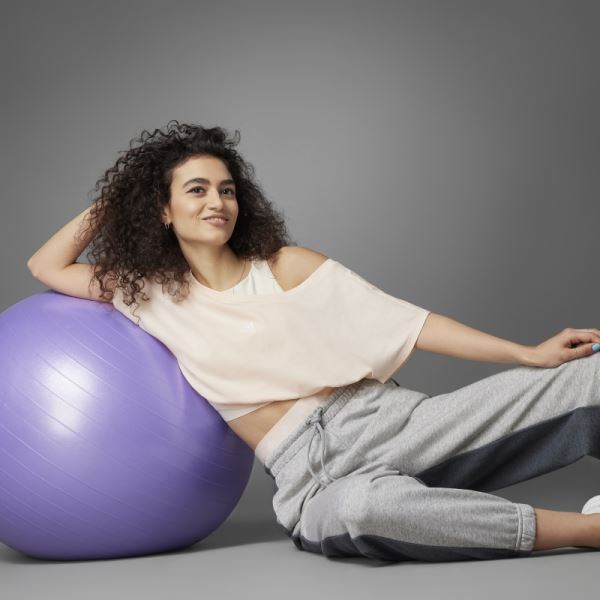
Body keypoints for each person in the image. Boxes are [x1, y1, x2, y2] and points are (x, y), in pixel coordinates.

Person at [27, 120, 600, 563]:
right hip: (305, 477)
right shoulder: (147, 293)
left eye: (226, 190)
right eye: (196, 190)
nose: (216, 203)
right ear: (163, 209)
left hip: (381, 421)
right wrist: (124, 194)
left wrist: (527, 353)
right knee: (363, 511)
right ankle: (586, 531)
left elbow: (410, 323)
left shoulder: (286, 267)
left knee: (588, 375)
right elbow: (46, 265)